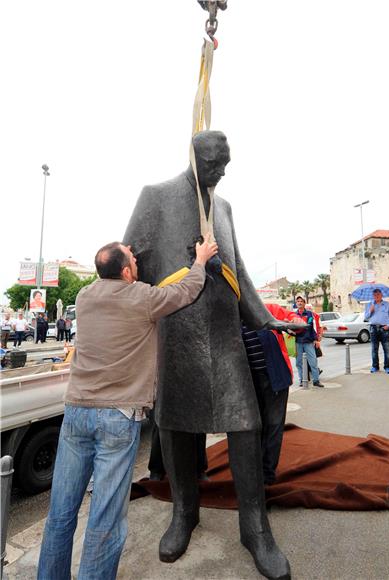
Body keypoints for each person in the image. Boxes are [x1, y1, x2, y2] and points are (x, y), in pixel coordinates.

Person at [124, 130, 303, 580]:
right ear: (193, 156)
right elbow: (129, 261)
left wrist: (265, 318)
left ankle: (254, 526)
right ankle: (185, 512)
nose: (221, 172)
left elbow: (237, 267)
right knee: (177, 424)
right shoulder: (156, 196)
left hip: (224, 333)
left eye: (226, 164)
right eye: (214, 164)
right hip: (178, 328)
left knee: (246, 422)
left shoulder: (223, 208)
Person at [37, 237, 217, 580]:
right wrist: (200, 260)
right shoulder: (142, 298)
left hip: (76, 412)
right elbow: (185, 292)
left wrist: (122, 253)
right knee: (105, 518)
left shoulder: (85, 296)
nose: (137, 261)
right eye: (133, 260)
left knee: (60, 514)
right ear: (125, 272)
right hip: (118, 418)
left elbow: (112, 273)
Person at [242, 303, 303, 485]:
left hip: (275, 376)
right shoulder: (230, 317)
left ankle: (267, 474)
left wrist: (294, 321)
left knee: (274, 424)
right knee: (255, 426)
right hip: (250, 381)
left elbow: (292, 318)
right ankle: (254, 470)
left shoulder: (266, 308)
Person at [294, 296, 324, 387]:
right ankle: (302, 380)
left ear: (304, 303)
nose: (299, 303)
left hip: (308, 342)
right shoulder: (294, 315)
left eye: (301, 301)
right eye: (298, 301)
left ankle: (316, 380)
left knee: (313, 361)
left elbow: (314, 327)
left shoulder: (310, 314)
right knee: (299, 362)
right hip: (298, 342)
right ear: (296, 303)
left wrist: (316, 339)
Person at [364, 288, 389, 374]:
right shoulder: (369, 305)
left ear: (381, 295)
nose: (377, 296)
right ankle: (375, 366)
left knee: (386, 349)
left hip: (385, 329)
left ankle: (387, 367)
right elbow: (366, 317)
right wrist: (371, 311)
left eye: (378, 294)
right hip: (373, 329)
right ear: (373, 296)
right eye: (375, 295)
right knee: (374, 349)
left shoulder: (387, 304)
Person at [305, 302, 323, 376]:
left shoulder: (316, 316)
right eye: (307, 308)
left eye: (310, 308)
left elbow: (320, 326)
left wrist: (320, 336)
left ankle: (314, 371)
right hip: (306, 339)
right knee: (306, 357)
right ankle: (312, 371)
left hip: (314, 338)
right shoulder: (304, 316)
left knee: (313, 356)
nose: (309, 310)